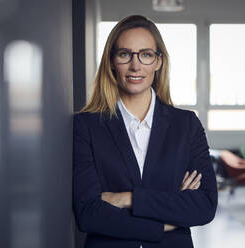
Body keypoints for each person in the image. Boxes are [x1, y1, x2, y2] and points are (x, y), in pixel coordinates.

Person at [73, 15, 217, 248]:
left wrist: (125, 198)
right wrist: (167, 220)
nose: (135, 65)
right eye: (124, 54)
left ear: (158, 62)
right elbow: (89, 213)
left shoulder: (186, 125)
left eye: (146, 54)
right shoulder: (85, 126)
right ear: (111, 61)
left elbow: (204, 206)